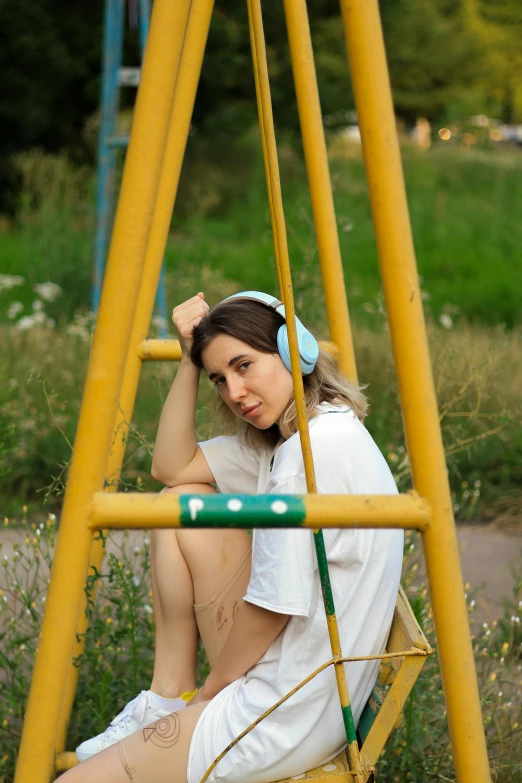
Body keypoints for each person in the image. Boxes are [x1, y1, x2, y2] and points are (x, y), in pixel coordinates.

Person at [65, 291, 403, 783]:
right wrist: (188, 361)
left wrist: (209, 697)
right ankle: (167, 694)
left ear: (296, 353)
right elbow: (172, 467)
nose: (234, 392)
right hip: (312, 686)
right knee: (178, 505)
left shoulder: (303, 460)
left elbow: (270, 611)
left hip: (285, 712)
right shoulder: (309, 432)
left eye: (245, 365)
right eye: (219, 379)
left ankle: (183, 702)